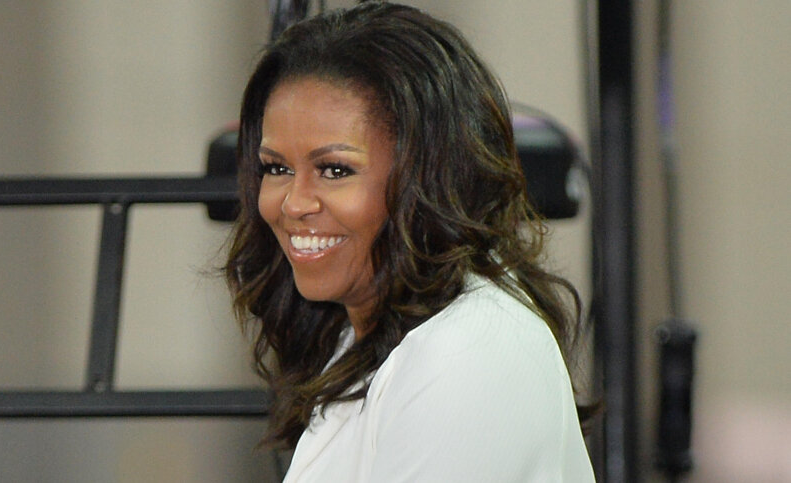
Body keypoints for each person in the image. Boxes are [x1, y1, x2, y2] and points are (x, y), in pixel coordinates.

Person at [225, 2, 595, 481]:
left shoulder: (467, 352)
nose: (294, 203)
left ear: (430, 180)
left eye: (334, 170)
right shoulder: (366, 335)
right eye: (277, 168)